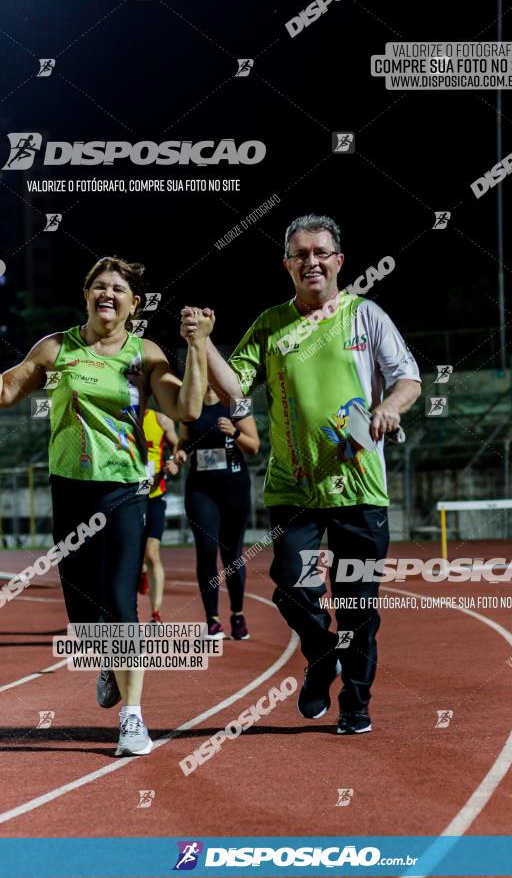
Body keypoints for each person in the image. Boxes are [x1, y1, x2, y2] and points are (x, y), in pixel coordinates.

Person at [189, 214, 421, 734]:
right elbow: (232, 388)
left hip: (361, 487)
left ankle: (356, 705)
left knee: (357, 606)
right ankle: (321, 656)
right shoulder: (270, 325)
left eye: (320, 252)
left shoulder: (368, 316)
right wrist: (204, 344)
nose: (311, 261)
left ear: (339, 260)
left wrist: (392, 408)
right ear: (287, 264)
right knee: (292, 589)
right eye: (300, 254)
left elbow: (408, 378)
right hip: (293, 487)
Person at [0, 256, 212, 755]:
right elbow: (8, 390)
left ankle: (133, 720)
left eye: (118, 288)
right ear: (87, 295)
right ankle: (106, 660)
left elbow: (187, 409)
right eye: (99, 286)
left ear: (134, 303)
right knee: (81, 614)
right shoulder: (57, 348)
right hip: (68, 489)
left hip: (124, 490)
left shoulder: (144, 354)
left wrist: (197, 347)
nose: (108, 294)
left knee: (121, 601)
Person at [177, 386, 260, 639]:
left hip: (234, 487)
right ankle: (212, 620)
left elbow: (254, 446)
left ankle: (237, 615)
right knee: (206, 551)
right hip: (201, 490)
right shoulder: (190, 404)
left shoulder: (237, 403)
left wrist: (234, 432)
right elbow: (184, 442)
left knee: (231, 553)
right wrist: (180, 452)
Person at [138, 407, 180, 623]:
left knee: (152, 553)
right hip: (127, 497)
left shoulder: (161, 420)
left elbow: (178, 445)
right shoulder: (119, 417)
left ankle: (156, 614)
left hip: (154, 495)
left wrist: (175, 461)